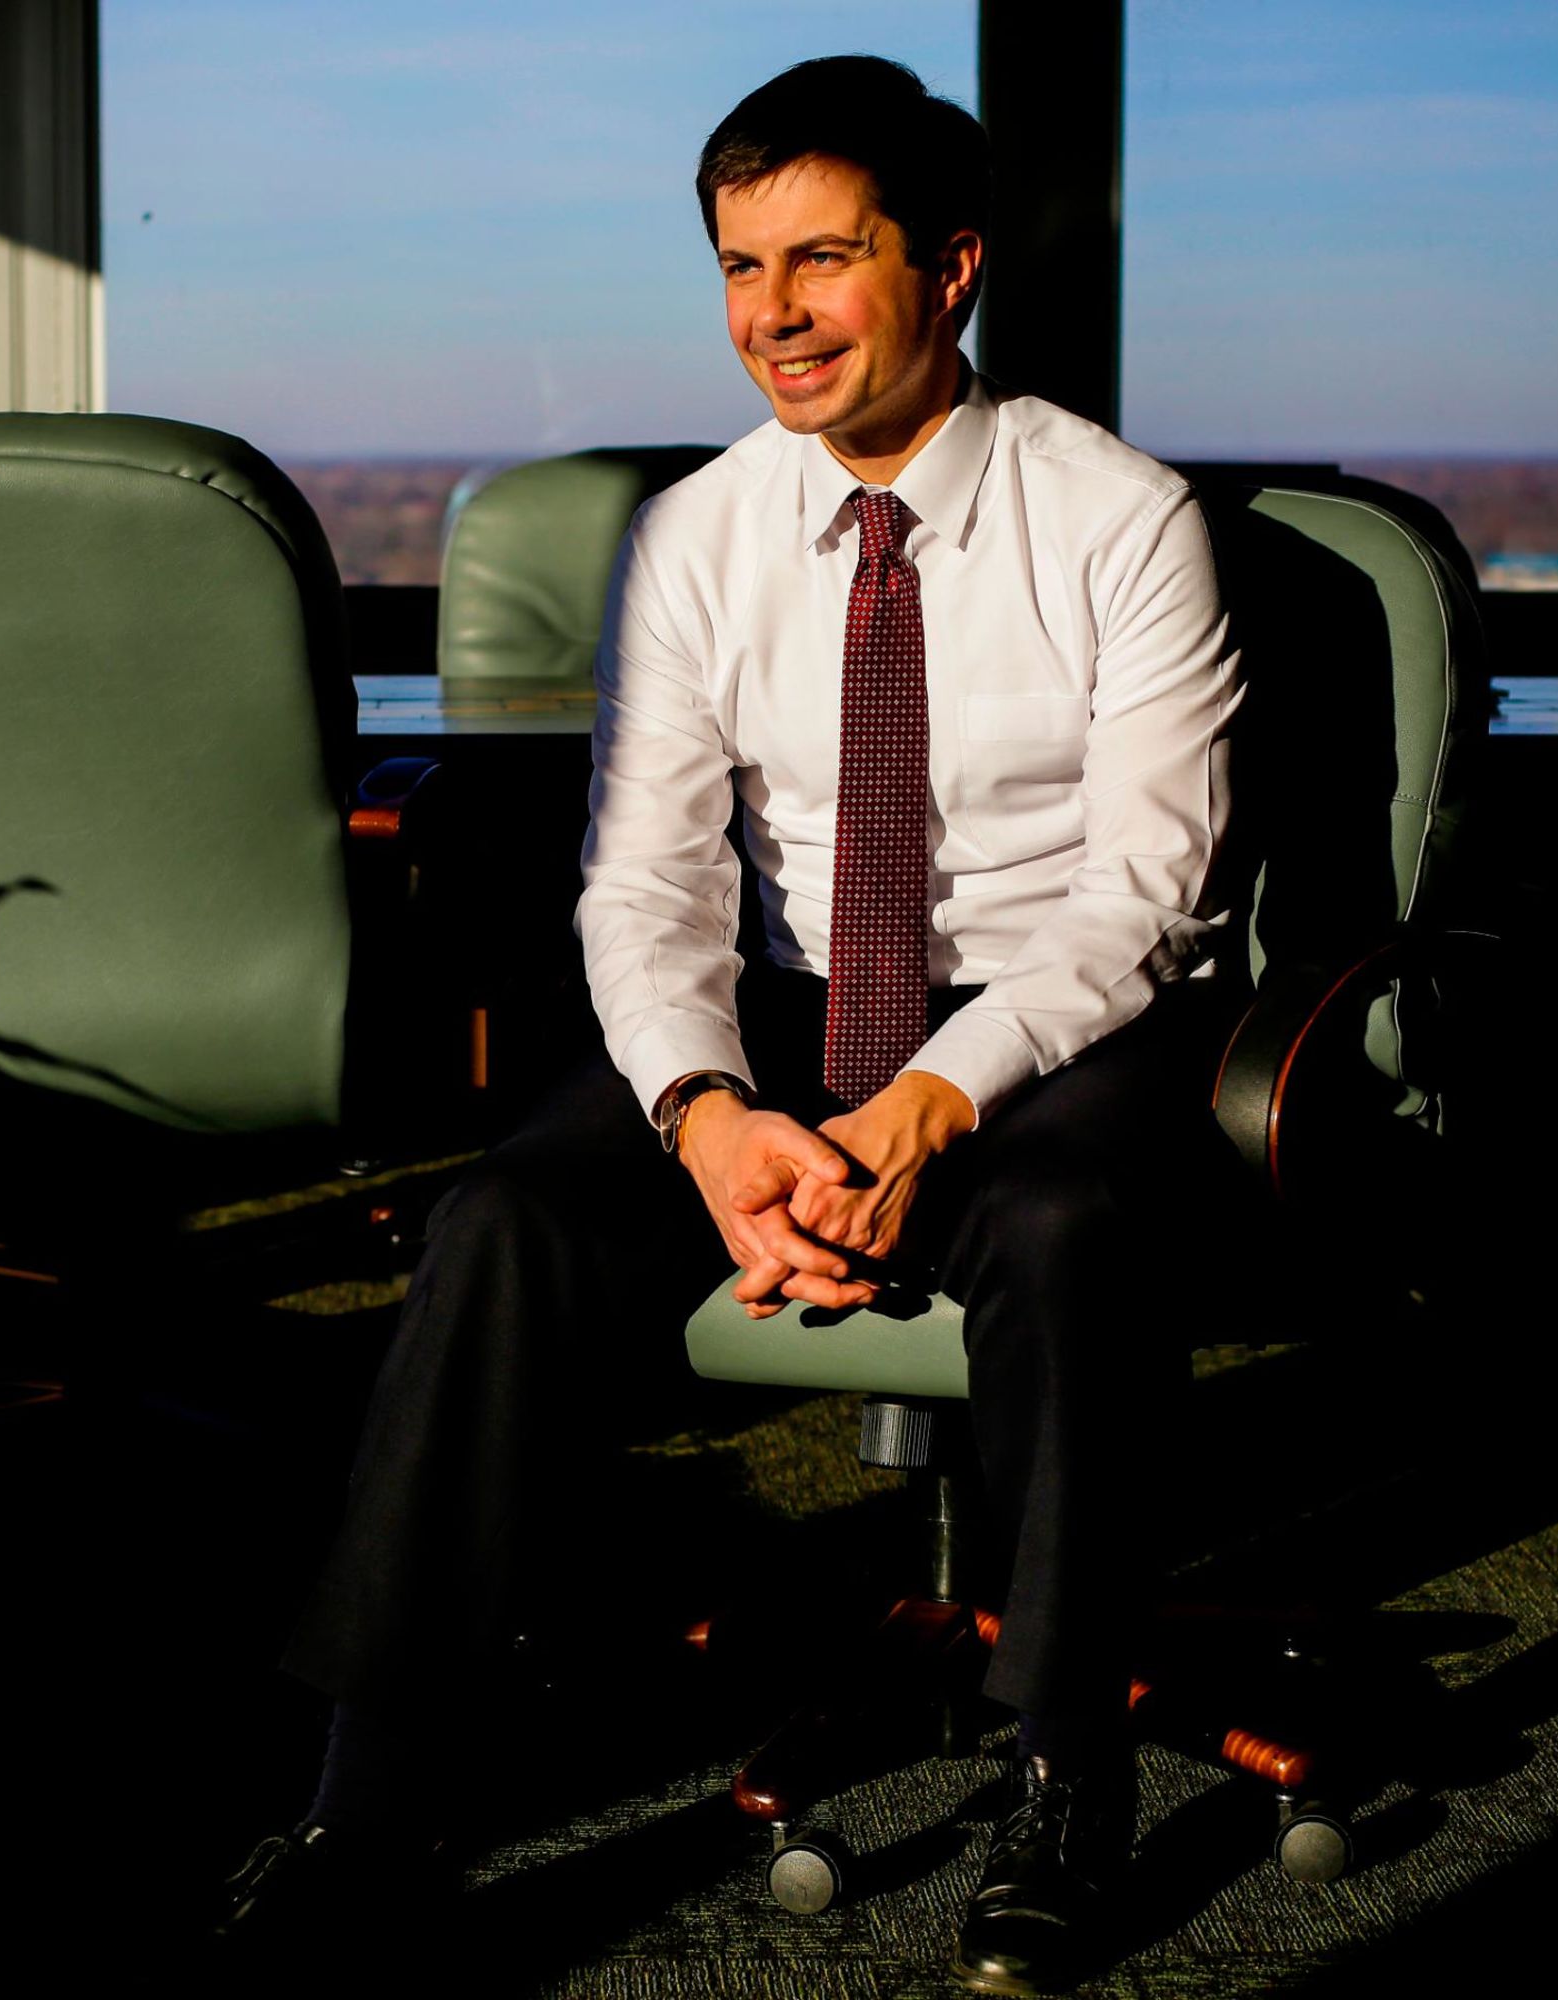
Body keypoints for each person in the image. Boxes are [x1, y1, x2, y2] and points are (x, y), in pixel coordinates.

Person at [218, 53, 1245, 1996]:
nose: (772, 312)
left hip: (1037, 1019)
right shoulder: (695, 535)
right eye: (737, 264)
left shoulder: (1121, 520)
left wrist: (933, 1103)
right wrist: (702, 1110)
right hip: (771, 1015)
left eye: (822, 259)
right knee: (503, 1222)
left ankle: (1060, 1772)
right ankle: (370, 1807)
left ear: (948, 265)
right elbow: (647, 884)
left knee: (1060, 1227)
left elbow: (1148, 894)